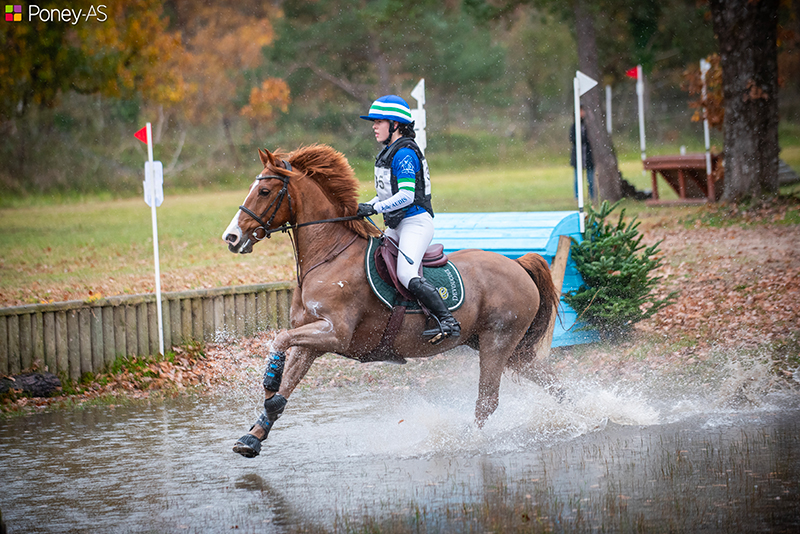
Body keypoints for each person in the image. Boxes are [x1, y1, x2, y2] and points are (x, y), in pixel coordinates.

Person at [356, 95, 460, 342]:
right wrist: (366, 205)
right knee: (374, 262)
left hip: (415, 224)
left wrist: (376, 208)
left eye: (379, 121)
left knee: (405, 273)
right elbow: (386, 192)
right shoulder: (390, 152)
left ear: (395, 124)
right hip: (397, 224)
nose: (374, 126)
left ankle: (448, 321)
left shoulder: (404, 154)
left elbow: (405, 196)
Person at [570, 106, 595, 200]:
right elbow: (573, 139)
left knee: (590, 179)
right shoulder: (574, 125)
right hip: (578, 157)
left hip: (589, 156)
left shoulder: (589, 125)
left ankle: (592, 196)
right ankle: (577, 197)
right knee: (577, 179)